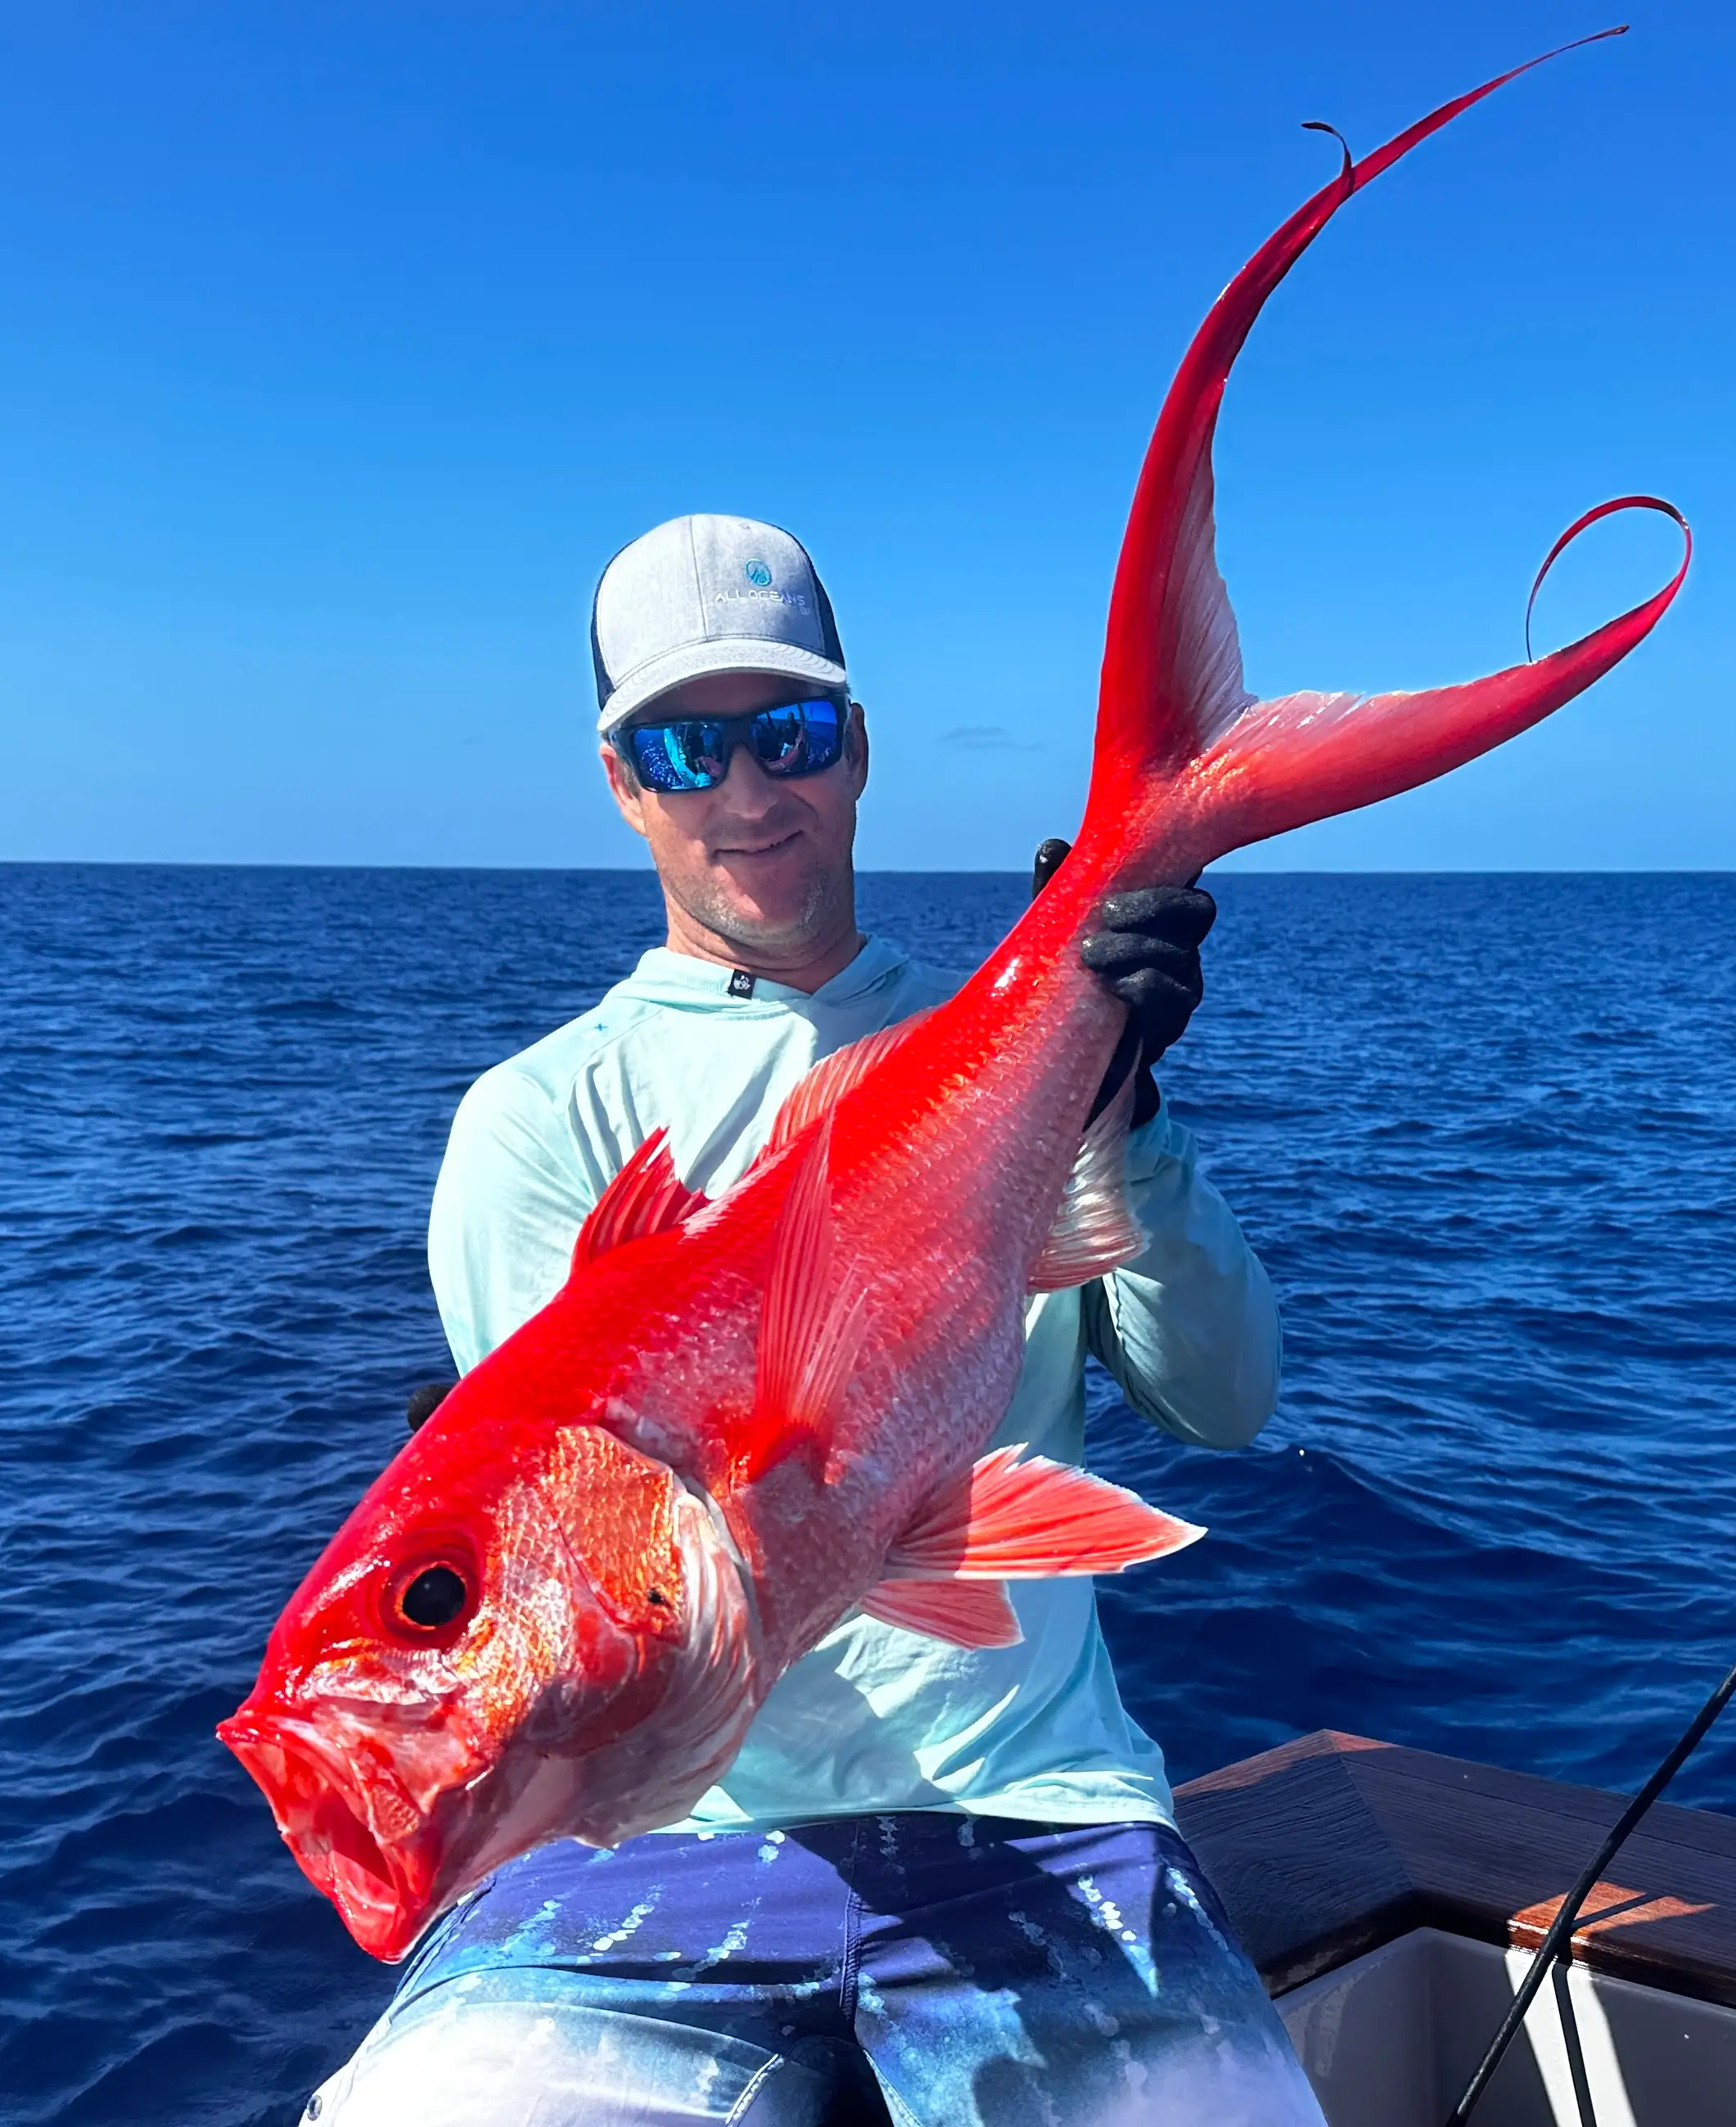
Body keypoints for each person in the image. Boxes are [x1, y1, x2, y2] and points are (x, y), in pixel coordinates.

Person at [306, 515, 1323, 2127]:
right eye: (682, 747)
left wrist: (1118, 1109)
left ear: (855, 751)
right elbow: (604, 1581)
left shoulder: (1009, 1048)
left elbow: (1226, 1401)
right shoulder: (538, 1123)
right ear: (619, 780)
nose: (745, 793)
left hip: (1033, 1816)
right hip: (648, 1863)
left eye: (786, 734)